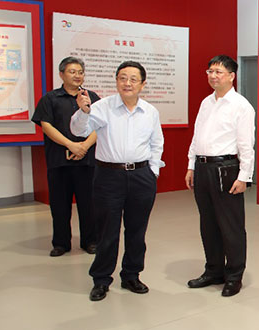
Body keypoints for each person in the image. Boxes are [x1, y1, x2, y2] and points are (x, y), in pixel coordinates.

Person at [71, 61, 164, 302]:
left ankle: (131, 275)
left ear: (143, 84)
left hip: (141, 176)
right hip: (108, 176)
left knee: (137, 231)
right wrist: (83, 111)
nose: (127, 83)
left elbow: (157, 143)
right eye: (122, 78)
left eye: (133, 79)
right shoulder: (101, 107)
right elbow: (79, 131)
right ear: (116, 81)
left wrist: (152, 172)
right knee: (107, 231)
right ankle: (101, 280)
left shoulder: (150, 112)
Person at [185, 55, 255, 297]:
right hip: (203, 168)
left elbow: (246, 145)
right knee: (208, 224)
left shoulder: (241, 106)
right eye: (210, 71)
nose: (213, 76)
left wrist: (244, 177)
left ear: (231, 76)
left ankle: (234, 276)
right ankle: (213, 270)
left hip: (226, 169)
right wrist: (191, 166)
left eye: (218, 72)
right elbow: (196, 137)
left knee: (231, 226)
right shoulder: (206, 102)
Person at [32, 56, 99, 257]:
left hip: (87, 161)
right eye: (72, 72)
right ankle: (61, 243)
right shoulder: (50, 99)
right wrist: (71, 145)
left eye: (80, 72)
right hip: (59, 162)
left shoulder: (92, 97)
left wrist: (84, 146)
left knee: (89, 205)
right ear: (61, 74)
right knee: (59, 205)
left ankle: (90, 241)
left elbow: (100, 126)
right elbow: (46, 126)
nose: (77, 75)